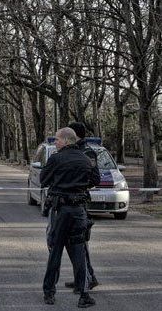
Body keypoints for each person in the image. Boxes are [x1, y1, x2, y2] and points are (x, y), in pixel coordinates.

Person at [41, 127, 100, 308]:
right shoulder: (85, 159)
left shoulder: (56, 158)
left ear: (66, 140)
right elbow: (95, 180)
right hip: (79, 211)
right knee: (79, 253)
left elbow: (44, 179)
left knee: (55, 251)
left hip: (60, 211)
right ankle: (84, 295)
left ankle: (49, 292)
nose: (55, 142)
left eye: (57, 140)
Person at [65, 122, 99, 293]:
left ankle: (86, 279)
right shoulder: (73, 151)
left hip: (80, 202)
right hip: (69, 202)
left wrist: (78, 185)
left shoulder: (87, 152)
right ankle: (83, 277)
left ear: (75, 135)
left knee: (80, 242)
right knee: (73, 243)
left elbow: (95, 179)